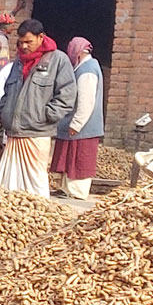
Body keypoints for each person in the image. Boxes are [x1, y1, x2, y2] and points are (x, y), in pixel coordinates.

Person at [0, 19, 76, 196]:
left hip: (37, 132)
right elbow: (8, 90)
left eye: (28, 42)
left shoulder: (58, 60)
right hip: (14, 133)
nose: (24, 46)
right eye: (21, 42)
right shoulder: (18, 62)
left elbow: (67, 95)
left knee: (35, 182)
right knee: (8, 184)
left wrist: (47, 115)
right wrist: (4, 111)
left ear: (41, 37)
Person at [51, 36, 104, 199]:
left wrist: (77, 124)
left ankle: (77, 192)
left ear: (77, 53)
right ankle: (67, 189)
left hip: (83, 126)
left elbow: (86, 101)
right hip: (76, 124)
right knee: (70, 158)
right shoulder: (85, 67)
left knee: (79, 159)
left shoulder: (87, 70)